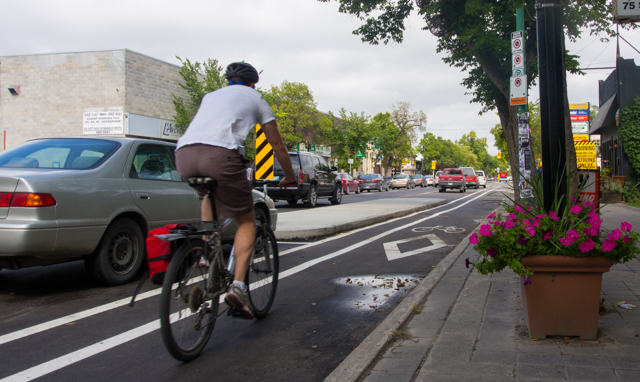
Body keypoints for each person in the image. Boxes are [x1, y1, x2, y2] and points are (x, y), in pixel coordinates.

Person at [175, 62, 296, 319]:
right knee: (246, 221)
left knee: (208, 193)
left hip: (184, 155)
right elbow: (277, 145)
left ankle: (208, 253)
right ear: (252, 83)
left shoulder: (210, 96)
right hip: (220, 156)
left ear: (228, 81)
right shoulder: (256, 98)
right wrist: (289, 174)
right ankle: (239, 287)